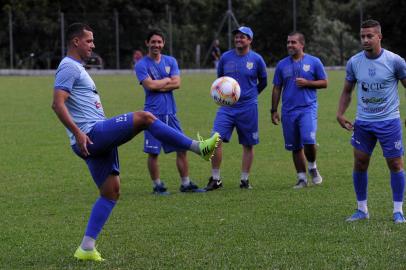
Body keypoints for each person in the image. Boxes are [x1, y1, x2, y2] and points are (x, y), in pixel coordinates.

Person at [52, 23, 220, 262]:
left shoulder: (77, 67)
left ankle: (86, 247)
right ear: (75, 42)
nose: (93, 45)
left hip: (91, 137)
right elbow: (57, 103)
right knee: (144, 117)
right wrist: (78, 133)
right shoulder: (68, 67)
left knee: (111, 193)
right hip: (90, 134)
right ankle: (199, 148)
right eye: (89, 41)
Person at [336, 19, 406, 223]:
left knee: (395, 163)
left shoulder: (395, 61)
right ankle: (362, 209)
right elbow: (347, 91)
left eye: (369, 36)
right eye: (362, 36)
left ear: (379, 37)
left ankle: (398, 211)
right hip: (363, 123)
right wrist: (340, 113)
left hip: (389, 121)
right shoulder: (354, 62)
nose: (365, 40)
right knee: (360, 163)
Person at [135, 29, 205, 194]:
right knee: (153, 152)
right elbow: (149, 86)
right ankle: (157, 185)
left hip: (171, 113)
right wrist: (166, 80)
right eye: (153, 42)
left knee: (182, 149)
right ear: (147, 43)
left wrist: (159, 84)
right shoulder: (141, 65)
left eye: (159, 42)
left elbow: (177, 83)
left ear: (163, 44)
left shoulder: (171, 61)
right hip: (152, 115)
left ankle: (186, 184)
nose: (156, 45)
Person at [205, 26, 268, 191]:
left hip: (248, 107)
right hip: (227, 108)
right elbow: (220, 81)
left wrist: (250, 96)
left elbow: (263, 82)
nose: (239, 39)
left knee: (248, 144)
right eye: (237, 37)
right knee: (215, 139)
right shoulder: (225, 58)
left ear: (250, 40)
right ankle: (216, 179)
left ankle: (245, 180)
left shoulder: (257, 59)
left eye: (243, 37)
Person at [271, 32, 328, 189]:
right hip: (288, 111)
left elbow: (324, 83)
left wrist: (308, 83)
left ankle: (312, 167)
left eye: (293, 42)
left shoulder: (314, 62)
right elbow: (276, 87)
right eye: (288, 42)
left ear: (302, 45)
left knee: (309, 141)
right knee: (295, 146)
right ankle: (302, 178)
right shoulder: (282, 65)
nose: (290, 45)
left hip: (307, 108)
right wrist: (273, 110)